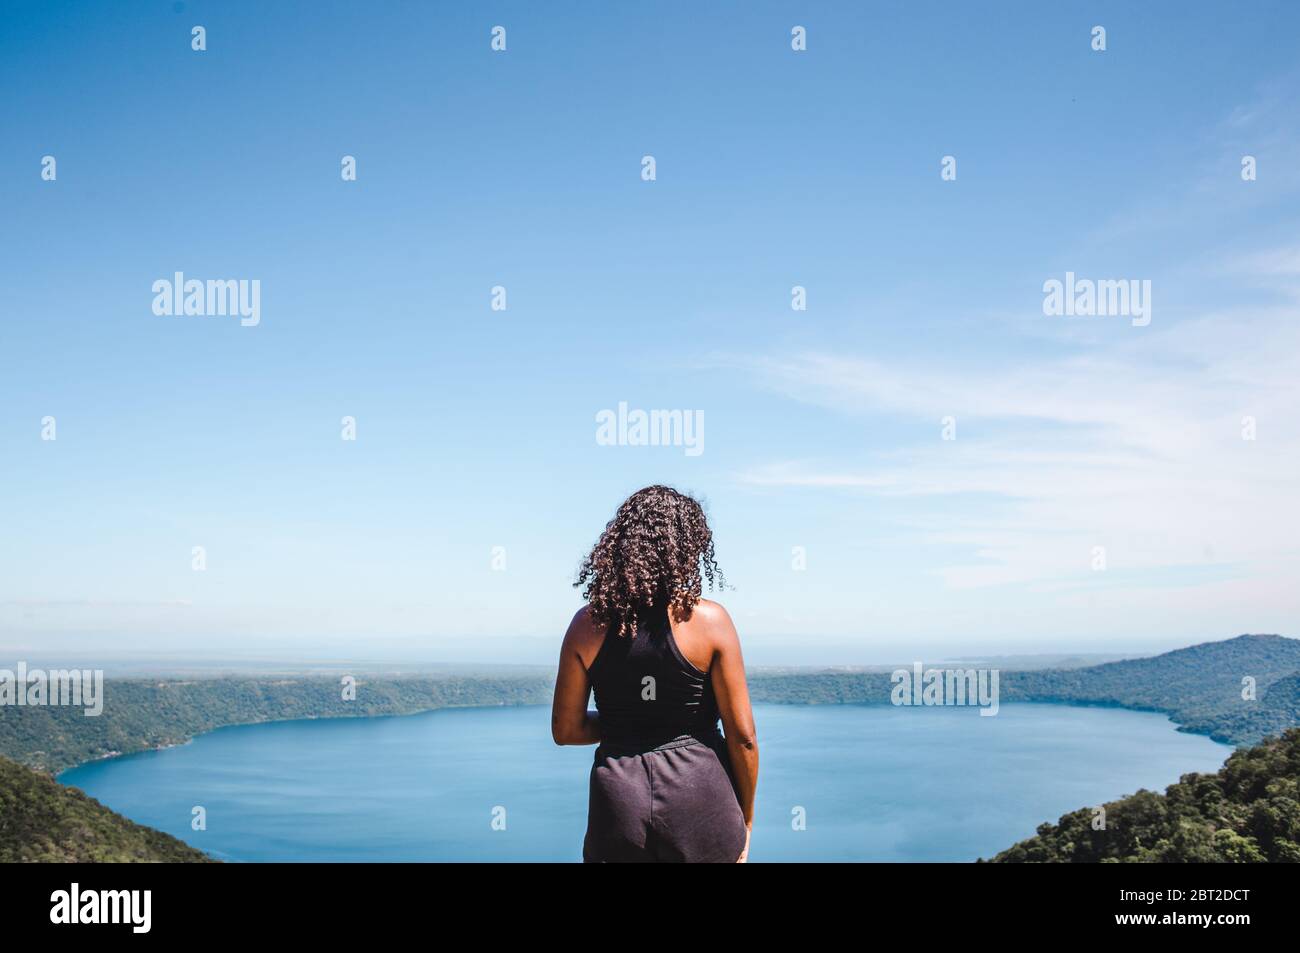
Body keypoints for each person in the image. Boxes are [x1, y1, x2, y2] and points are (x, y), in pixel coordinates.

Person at [551, 485, 758, 862]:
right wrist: (744, 821)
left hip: (617, 804)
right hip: (702, 800)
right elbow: (742, 738)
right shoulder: (709, 621)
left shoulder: (586, 625)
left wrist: (625, 723)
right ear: (689, 548)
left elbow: (566, 730)